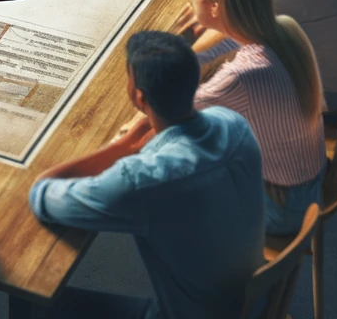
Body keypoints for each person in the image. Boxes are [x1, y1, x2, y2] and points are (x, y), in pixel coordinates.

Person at [30, 31, 264, 319]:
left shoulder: (143, 180)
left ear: (138, 96)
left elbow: (42, 195)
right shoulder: (233, 123)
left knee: (31, 299)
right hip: (254, 301)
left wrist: (121, 147)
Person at [180, 0, 326, 237]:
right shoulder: (283, 28)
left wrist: (183, 41)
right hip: (308, 183)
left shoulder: (239, 77)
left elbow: (171, 104)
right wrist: (196, 39)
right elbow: (210, 52)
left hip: (282, 209)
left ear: (215, 6)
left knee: (174, 182)